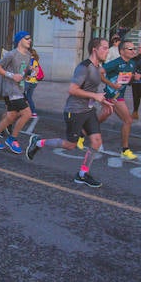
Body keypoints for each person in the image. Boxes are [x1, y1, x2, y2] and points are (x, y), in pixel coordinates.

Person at [26, 37, 112, 187]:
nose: (107, 51)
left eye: (107, 48)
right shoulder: (84, 67)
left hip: (89, 110)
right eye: (104, 48)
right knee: (70, 145)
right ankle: (38, 142)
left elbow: (91, 90)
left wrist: (103, 101)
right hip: (75, 111)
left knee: (96, 141)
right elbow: (72, 89)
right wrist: (95, 96)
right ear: (95, 49)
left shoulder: (98, 68)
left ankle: (82, 174)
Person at [0, 31, 35, 154]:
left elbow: (23, 71)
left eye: (30, 38)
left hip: (20, 88)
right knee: (27, 113)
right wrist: (12, 75)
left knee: (11, 116)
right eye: (27, 38)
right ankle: (12, 139)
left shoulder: (29, 54)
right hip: (11, 89)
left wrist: (29, 72)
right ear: (20, 40)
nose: (30, 40)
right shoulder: (11, 54)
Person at [101, 40, 141, 159]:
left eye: (134, 49)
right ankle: (125, 150)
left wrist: (134, 78)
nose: (134, 51)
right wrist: (112, 85)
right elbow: (100, 73)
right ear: (122, 51)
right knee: (128, 120)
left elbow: (126, 80)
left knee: (102, 117)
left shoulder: (133, 64)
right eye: (130, 49)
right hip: (112, 95)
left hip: (120, 95)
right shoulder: (115, 63)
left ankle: (81, 133)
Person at [24, 48, 42, 118]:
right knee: (29, 97)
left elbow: (29, 71)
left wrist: (28, 73)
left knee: (20, 93)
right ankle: (33, 112)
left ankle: (22, 109)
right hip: (34, 82)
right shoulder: (36, 61)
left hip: (28, 81)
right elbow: (37, 71)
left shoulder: (30, 61)